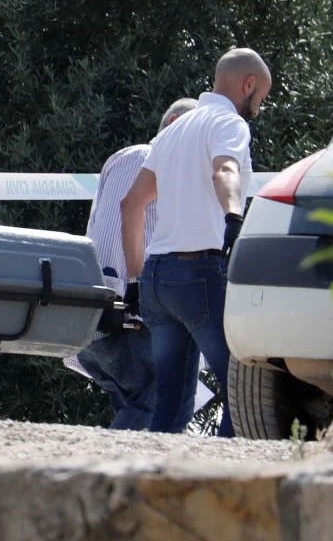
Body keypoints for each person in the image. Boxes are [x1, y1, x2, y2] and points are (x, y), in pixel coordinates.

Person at [120, 47, 271, 437]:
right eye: (261, 99)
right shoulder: (229, 123)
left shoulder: (170, 132)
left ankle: (152, 486)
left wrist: (135, 281)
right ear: (248, 85)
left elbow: (131, 204)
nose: (258, 108)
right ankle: (223, 481)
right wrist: (234, 218)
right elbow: (225, 169)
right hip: (198, 272)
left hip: (155, 278)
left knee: (168, 408)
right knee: (245, 393)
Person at [68, 97, 198, 430]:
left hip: (102, 316)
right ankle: (101, 476)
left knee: (141, 409)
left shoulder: (127, 159)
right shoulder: (149, 160)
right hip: (128, 315)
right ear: (172, 127)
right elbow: (118, 230)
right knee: (159, 406)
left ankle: (113, 478)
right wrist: (133, 292)